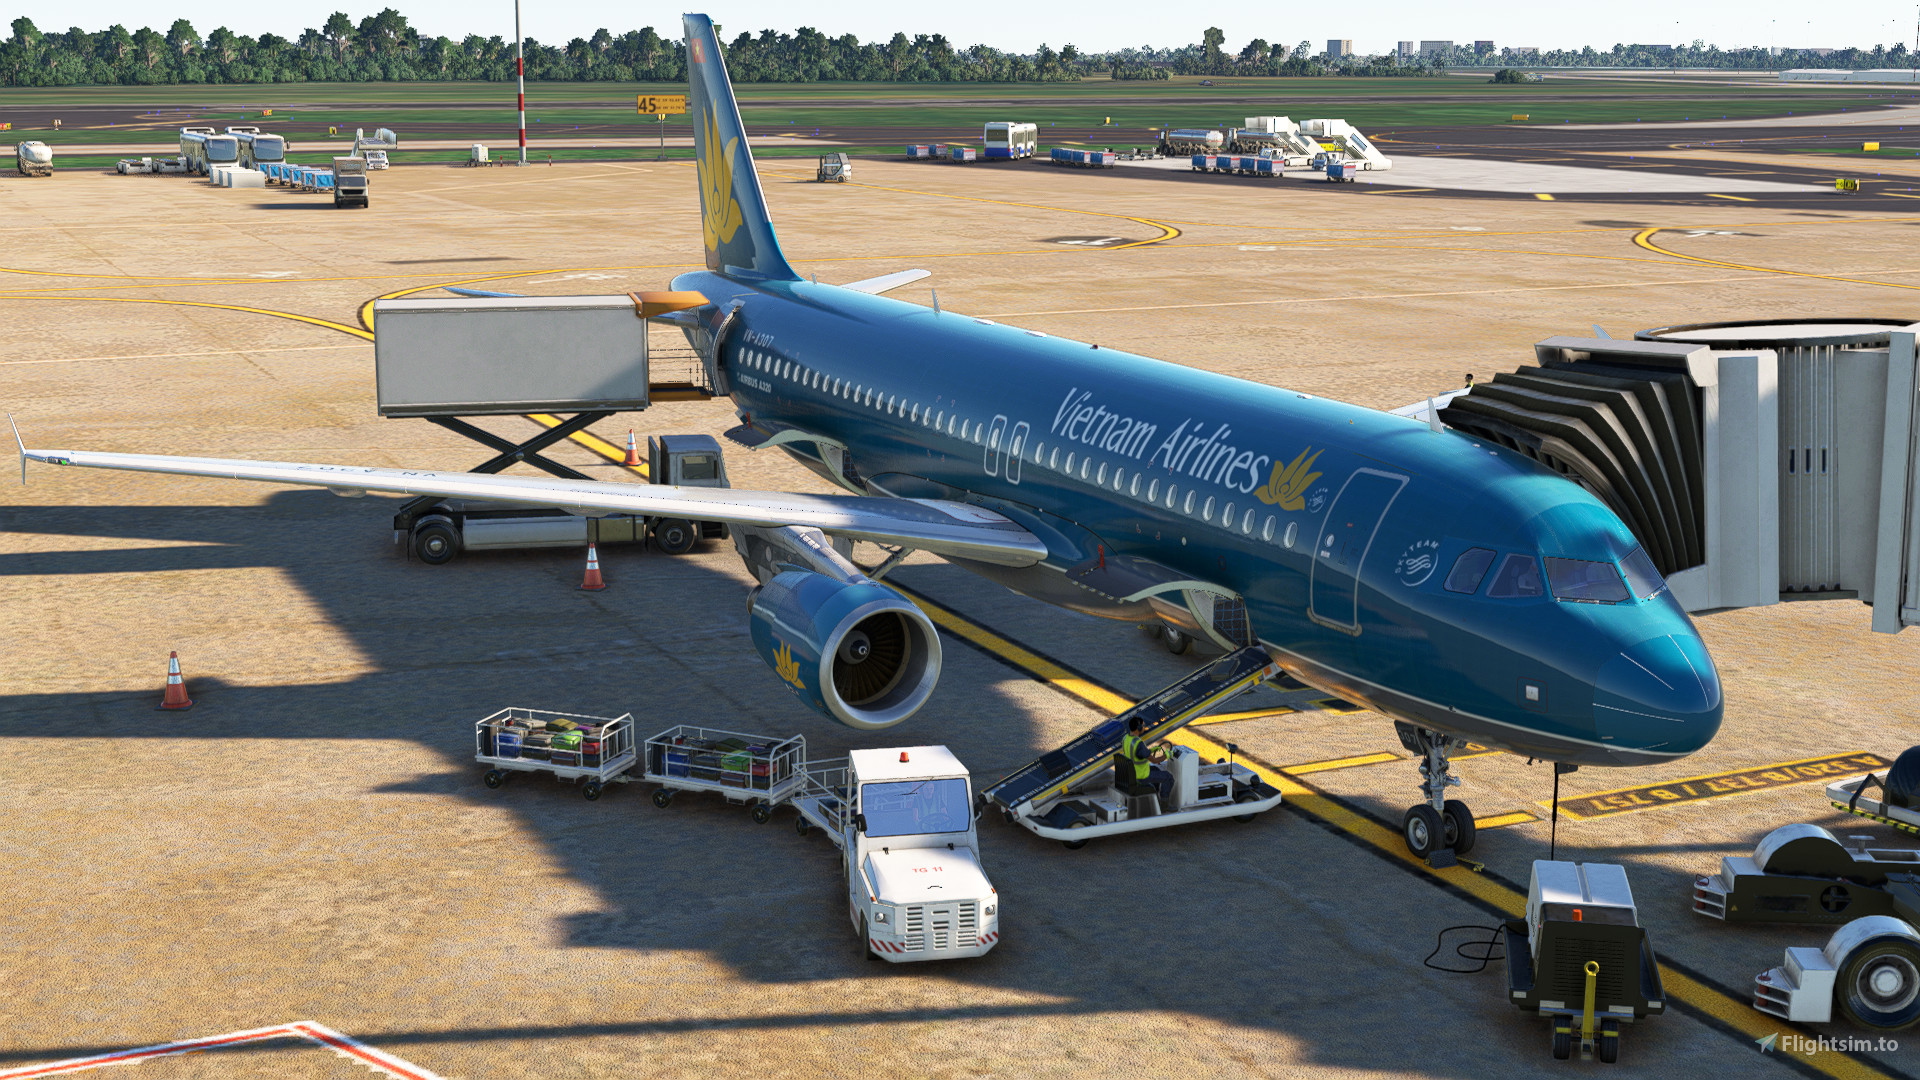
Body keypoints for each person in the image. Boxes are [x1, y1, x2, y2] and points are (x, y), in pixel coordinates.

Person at [1116, 717, 1174, 808]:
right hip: (1141, 775)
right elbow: (1154, 760)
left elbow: (1137, 753)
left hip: (1132, 772)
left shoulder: (1126, 738)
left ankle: (1154, 796)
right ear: (1138, 728)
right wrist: (1167, 755)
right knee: (1168, 777)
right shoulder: (1138, 743)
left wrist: (1151, 750)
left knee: (1156, 769)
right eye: (1143, 725)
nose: (1144, 727)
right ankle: (1164, 805)